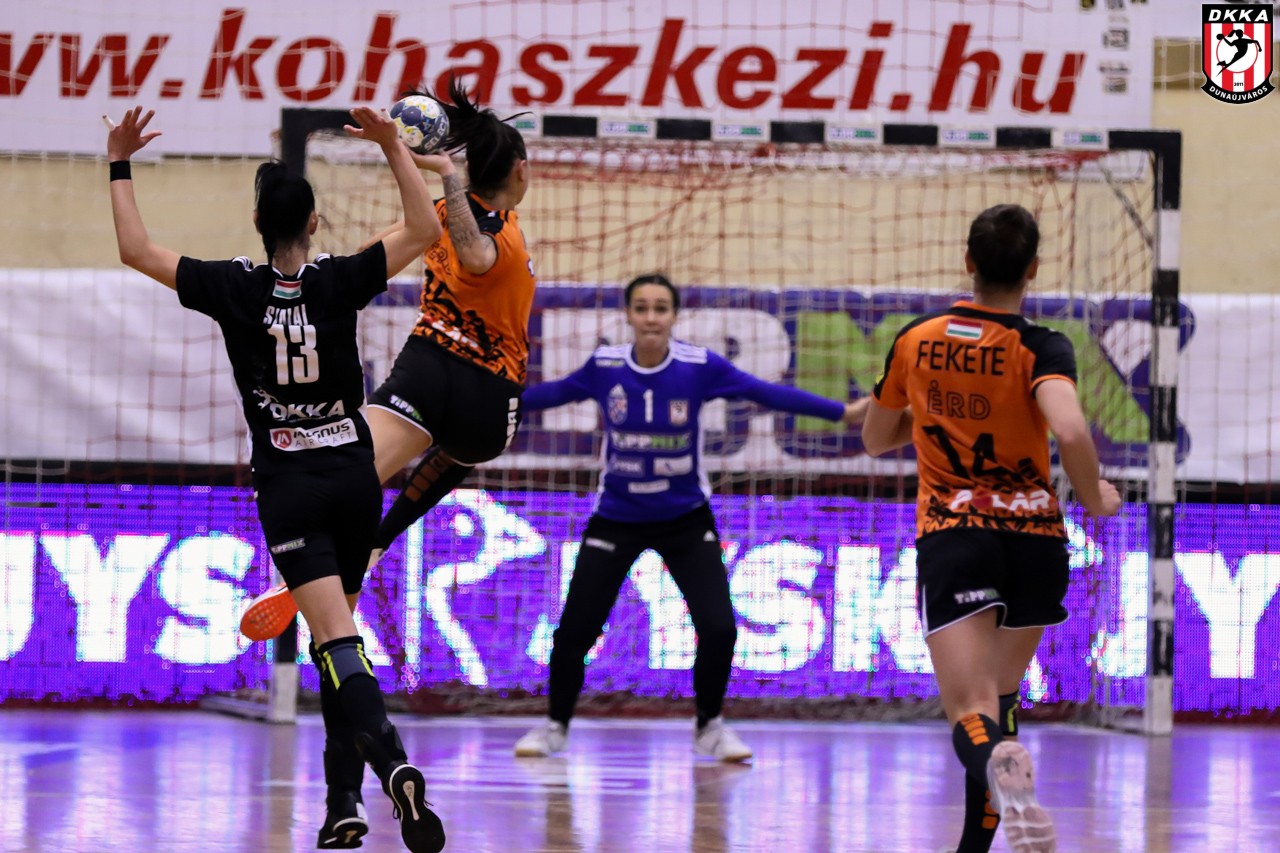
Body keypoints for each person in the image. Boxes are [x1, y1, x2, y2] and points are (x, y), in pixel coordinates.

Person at [105, 104, 447, 853]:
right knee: (340, 639)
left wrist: (120, 162)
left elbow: (134, 249)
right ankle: (342, 803)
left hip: (290, 486)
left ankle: (392, 763)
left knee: (335, 640)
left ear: (258, 224)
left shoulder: (232, 287)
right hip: (354, 475)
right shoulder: (339, 281)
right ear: (315, 223)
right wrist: (393, 147)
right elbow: (425, 228)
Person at [512, 273, 865, 762]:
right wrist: (480, 406)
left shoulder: (698, 367)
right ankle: (555, 726)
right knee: (575, 630)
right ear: (629, 316)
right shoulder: (606, 367)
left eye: (660, 308)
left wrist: (843, 413)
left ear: (674, 316)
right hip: (616, 517)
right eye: (642, 308)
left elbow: (767, 393)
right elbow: (550, 395)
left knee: (719, 628)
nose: (651, 317)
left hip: (684, 518)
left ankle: (710, 727)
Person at [859, 204, 1121, 853]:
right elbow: (1071, 429)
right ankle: (976, 844)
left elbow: (876, 438)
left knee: (969, 709)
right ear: (1033, 269)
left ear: (968, 261)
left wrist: (932, 413)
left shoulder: (917, 338)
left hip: (957, 534)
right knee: (1000, 700)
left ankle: (1002, 776)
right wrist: (1095, 497)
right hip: (1037, 540)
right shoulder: (1043, 345)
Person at [242, 78, 535, 637]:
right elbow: (477, 257)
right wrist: (444, 175)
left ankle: (330, 564)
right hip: (487, 398)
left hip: (427, 369)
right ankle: (368, 553)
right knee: (455, 455)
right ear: (520, 171)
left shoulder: (440, 215)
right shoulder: (502, 233)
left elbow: (372, 252)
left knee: (343, 472)